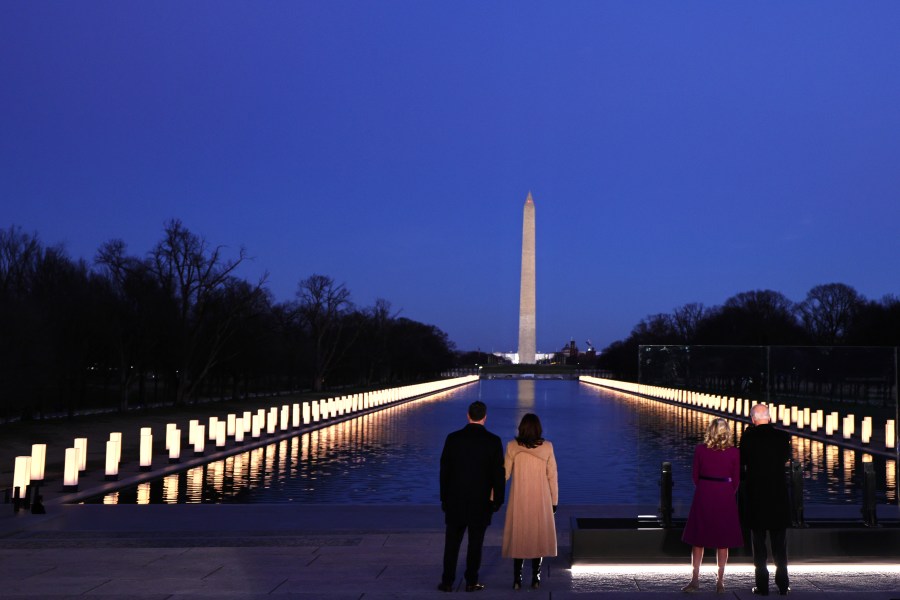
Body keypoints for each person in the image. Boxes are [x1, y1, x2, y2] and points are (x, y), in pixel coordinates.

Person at [438, 400, 505, 592]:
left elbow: (444, 472)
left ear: (468, 416)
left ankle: (447, 581)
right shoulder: (493, 441)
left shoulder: (453, 438)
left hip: (455, 500)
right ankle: (471, 581)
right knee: (476, 543)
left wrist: (444, 498)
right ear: (485, 417)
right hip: (481, 501)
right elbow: (498, 475)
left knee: (451, 543)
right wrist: (498, 499)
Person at [681, 417, 743, 594]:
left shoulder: (700, 450)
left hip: (704, 492)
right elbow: (736, 479)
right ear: (727, 432)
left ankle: (695, 580)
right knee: (722, 540)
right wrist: (726, 492)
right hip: (724, 493)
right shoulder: (734, 452)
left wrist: (704, 488)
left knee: (698, 538)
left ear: (710, 431)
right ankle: (720, 582)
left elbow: (695, 475)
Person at [501, 413, 559, 590]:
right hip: (540, 500)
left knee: (519, 537)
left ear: (522, 429)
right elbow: (552, 477)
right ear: (538, 429)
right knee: (537, 537)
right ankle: (536, 577)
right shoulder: (547, 447)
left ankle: (517, 579)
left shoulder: (512, 447)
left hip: (519, 499)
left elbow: (504, 475)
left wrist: (492, 496)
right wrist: (554, 501)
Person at [740, 404, 792, 596]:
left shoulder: (748, 436)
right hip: (777, 496)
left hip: (757, 496)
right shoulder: (782, 437)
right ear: (769, 418)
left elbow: (742, 460)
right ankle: (783, 584)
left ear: (753, 419)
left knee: (759, 544)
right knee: (780, 544)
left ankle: (762, 585)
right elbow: (785, 458)